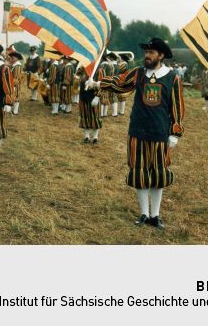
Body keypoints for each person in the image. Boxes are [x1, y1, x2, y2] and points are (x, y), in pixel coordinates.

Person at [87, 37, 185, 229]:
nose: (147, 56)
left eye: (151, 53)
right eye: (146, 52)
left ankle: (155, 216)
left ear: (161, 55)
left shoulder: (172, 77)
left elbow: (178, 106)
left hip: (160, 132)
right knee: (139, 173)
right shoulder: (138, 73)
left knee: (157, 175)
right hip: (137, 131)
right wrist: (98, 84)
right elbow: (120, 83)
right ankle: (144, 213)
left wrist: (175, 132)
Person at [77, 66, 102, 144]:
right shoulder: (83, 68)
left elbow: (103, 85)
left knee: (95, 117)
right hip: (83, 97)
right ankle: (86, 137)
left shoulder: (99, 70)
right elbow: (78, 75)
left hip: (93, 98)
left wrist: (97, 97)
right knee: (85, 116)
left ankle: (95, 137)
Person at [7, 50, 23, 115]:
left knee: (16, 97)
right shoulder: (14, 65)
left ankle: (15, 111)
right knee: (13, 97)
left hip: (14, 84)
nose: (11, 59)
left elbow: (16, 77)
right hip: (12, 83)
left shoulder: (17, 66)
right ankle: (12, 110)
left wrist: (12, 85)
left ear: (16, 58)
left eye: (12, 58)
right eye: (11, 57)